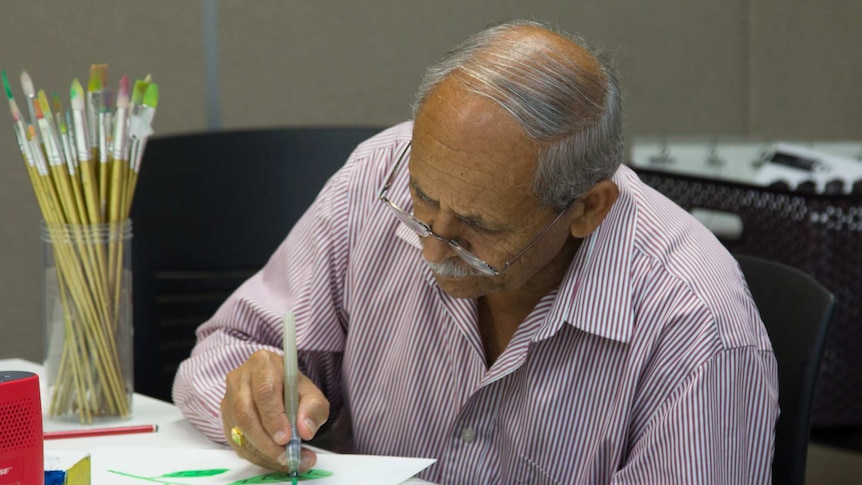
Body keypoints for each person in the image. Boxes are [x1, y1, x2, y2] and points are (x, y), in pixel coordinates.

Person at [173, 19, 779, 484]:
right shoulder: (377, 175)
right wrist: (253, 402)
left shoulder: (701, 327)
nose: (431, 246)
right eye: (421, 198)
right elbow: (225, 351)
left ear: (588, 209)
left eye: (475, 226)